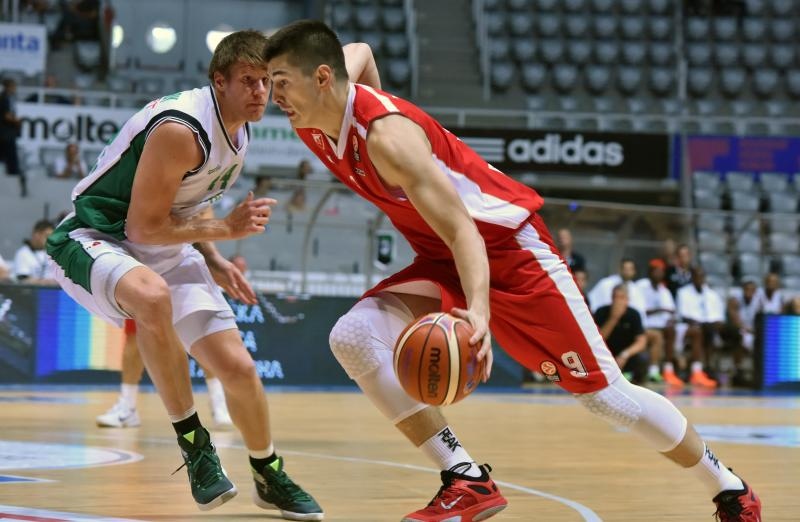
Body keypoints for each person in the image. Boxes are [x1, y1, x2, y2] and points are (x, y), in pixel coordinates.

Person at [264, 20, 761, 522]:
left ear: (322, 77)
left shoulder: (389, 141)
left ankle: (731, 489)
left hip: (510, 252)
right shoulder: (314, 116)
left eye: (281, 81)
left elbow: (466, 232)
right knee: (352, 336)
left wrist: (477, 314)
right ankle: (466, 480)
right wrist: (378, 95)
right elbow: (363, 50)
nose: (272, 94)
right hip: (443, 258)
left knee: (608, 399)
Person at [43, 30, 368, 520]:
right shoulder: (181, 128)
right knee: (152, 298)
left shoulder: (240, 128)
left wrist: (215, 260)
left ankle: (268, 472)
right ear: (219, 81)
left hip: (162, 242)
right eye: (248, 81)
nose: (261, 92)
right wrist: (228, 231)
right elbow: (142, 225)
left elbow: (186, 205)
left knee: (237, 369)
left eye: (266, 81)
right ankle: (196, 448)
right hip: (97, 236)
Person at [96, 319, 234, 429]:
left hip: (183, 285)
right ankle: (127, 407)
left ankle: (219, 405)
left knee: (198, 332)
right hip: (145, 285)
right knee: (136, 331)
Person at [634, 258, 682, 386]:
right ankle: (653, 372)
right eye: (656, 271)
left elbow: (672, 311)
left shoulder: (664, 290)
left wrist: (671, 320)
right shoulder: (640, 286)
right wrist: (660, 309)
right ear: (650, 272)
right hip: (644, 326)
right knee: (657, 336)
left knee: (672, 330)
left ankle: (668, 369)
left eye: (661, 271)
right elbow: (639, 310)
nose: (659, 274)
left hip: (661, 327)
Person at [676, 267, 725, 388]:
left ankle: (708, 368)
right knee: (701, 331)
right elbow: (683, 315)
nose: (699, 279)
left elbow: (719, 316)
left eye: (702, 276)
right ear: (692, 278)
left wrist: (715, 323)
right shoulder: (683, 292)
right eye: (697, 276)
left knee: (724, 331)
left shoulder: (712, 294)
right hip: (691, 326)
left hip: (710, 326)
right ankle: (699, 371)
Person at [593, 284, 648, 384]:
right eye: (615, 297)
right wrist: (613, 318)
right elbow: (598, 340)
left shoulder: (634, 314)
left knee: (642, 357)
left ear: (627, 300)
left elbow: (641, 342)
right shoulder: (601, 312)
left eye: (621, 297)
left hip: (626, 355)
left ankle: (632, 378)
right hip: (606, 354)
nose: (618, 301)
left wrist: (625, 355)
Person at [0, 78, 27, 197]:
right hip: (5, 133)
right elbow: (6, 115)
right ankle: (13, 177)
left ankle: (12, 177)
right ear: (8, 87)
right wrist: (17, 121)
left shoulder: (9, 98)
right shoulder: (4, 98)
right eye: (13, 86)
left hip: (7, 133)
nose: (15, 89)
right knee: (11, 156)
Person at [13, 219, 56, 284]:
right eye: (46, 236)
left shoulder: (54, 253)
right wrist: (46, 282)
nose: (50, 239)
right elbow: (23, 280)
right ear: (36, 234)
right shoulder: (23, 253)